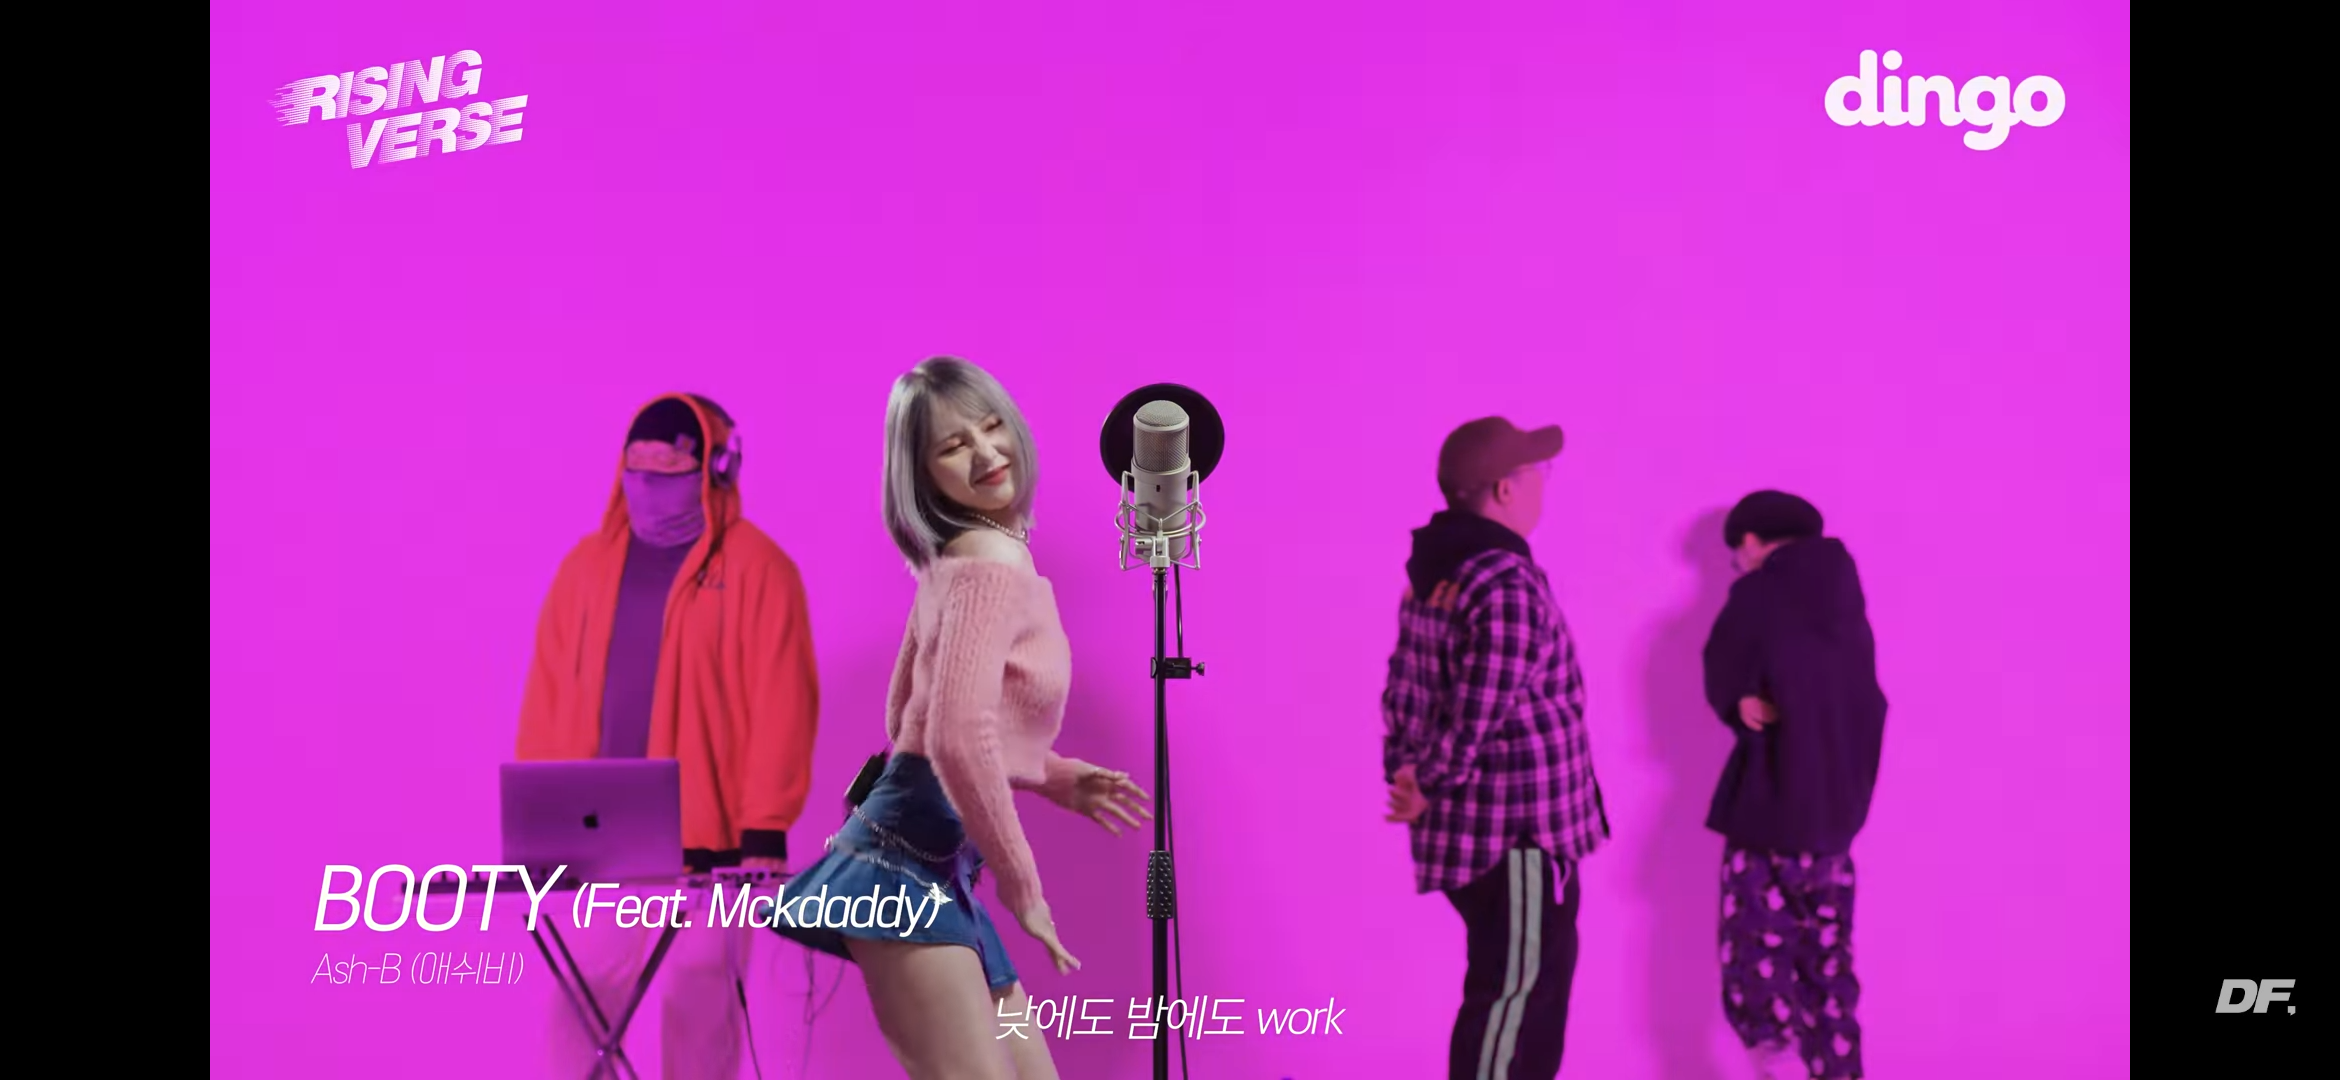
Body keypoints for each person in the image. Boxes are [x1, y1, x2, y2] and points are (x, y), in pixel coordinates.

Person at [770, 357, 1152, 1080]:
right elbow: (947, 735)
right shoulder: (986, 563)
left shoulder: (957, 562)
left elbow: (907, 718)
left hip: (939, 865)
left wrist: (1050, 774)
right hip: (903, 867)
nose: (986, 454)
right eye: (952, 446)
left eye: (991, 426)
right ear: (920, 475)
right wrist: (1023, 887)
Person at [514, 393, 821, 1079]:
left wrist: (765, 826)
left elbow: (782, 702)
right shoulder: (584, 570)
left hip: (717, 846)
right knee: (578, 1005)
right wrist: (539, 819)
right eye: (638, 470)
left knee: (700, 1006)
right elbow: (548, 695)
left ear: (714, 469)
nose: (650, 487)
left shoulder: (759, 570)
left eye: (670, 471)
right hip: (604, 840)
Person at [1382, 416, 1613, 1080]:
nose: (1544, 485)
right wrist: (1426, 778)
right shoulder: (1503, 582)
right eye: (1537, 473)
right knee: (1514, 996)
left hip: (1485, 830)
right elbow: (1480, 709)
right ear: (1505, 490)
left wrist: (1407, 771)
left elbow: (1404, 689)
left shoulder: (1438, 574)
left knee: (1531, 989)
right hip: (1516, 831)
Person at [1701, 490, 1888, 1080]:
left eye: (1737, 554)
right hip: (1834, 823)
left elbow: (1722, 662)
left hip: (1770, 814)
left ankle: (1776, 1059)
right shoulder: (1846, 602)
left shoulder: (1758, 593)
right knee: (1827, 967)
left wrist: (1738, 698)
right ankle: (1837, 1067)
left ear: (1751, 542)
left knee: (1756, 954)